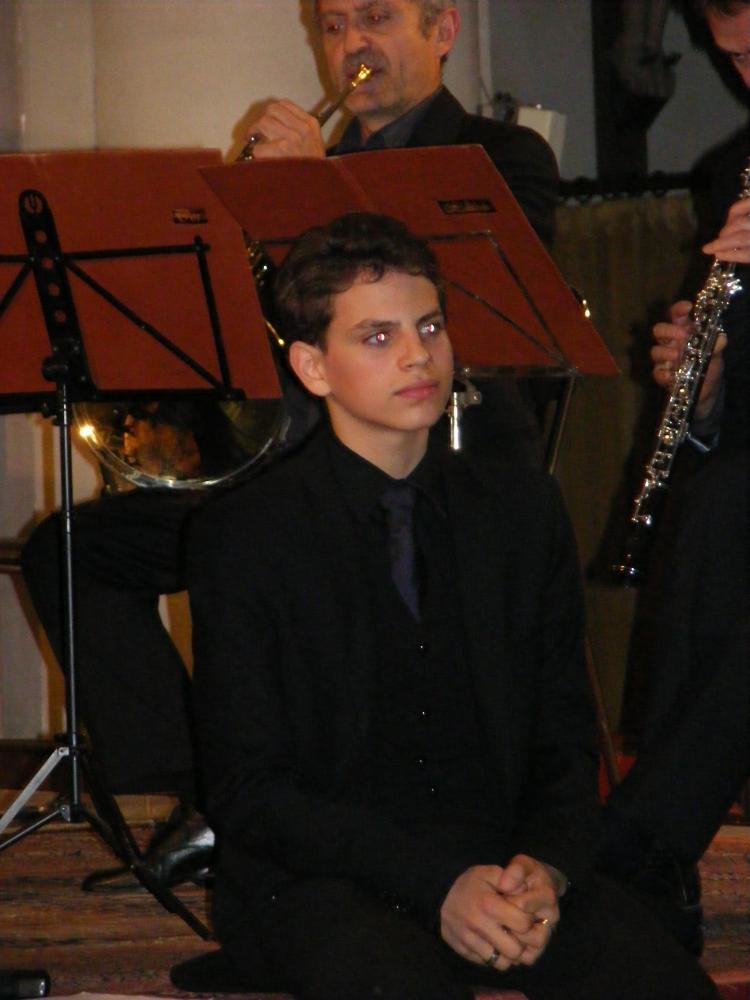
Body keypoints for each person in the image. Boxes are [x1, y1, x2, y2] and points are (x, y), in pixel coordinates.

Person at [20, 0, 558, 891]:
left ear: (443, 31)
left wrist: (314, 193)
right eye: (334, 26)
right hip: (287, 471)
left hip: (442, 463)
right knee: (72, 550)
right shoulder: (303, 169)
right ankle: (197, 796)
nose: (352, 45)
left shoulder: (500, 156)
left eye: (376, 18)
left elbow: (465, 308)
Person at [185, 209, 717, 1000]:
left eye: (429, 326)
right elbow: (252, 790)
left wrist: (547, 867)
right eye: (377, 337)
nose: (418, 355)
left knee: (659, 983)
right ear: (312, 367)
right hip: (324, 879)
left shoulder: (521, 508)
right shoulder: (246, 534)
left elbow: (563, 737)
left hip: (500, 867)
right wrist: (436, 885)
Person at [599, 0, 750, 957]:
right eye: (734, 59)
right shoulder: (734, 174)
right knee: (715, 497)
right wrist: (705, 387)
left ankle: (643, 842)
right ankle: (657, 848)